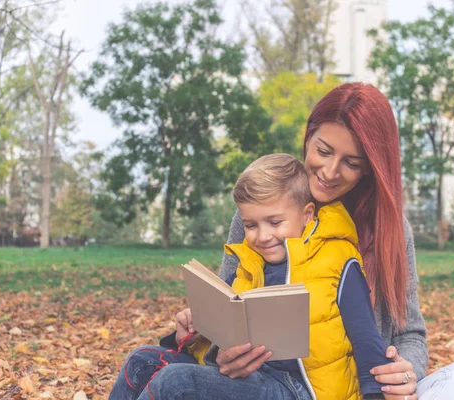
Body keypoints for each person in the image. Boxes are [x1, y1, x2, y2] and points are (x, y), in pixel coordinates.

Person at [215, 83, 454, 400]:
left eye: (351, 162)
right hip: (280, 387)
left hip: (368, 388)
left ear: (369, 167)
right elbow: (225, 305)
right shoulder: (262, 213)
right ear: (308, 138)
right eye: (323, 151)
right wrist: (220, 351)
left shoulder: (391, 228)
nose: (330, 171)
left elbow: (411, 334)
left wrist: (407, 371)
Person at [109, 153, 392, 400]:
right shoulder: (249, 261)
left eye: (274, 222)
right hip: (250, 379)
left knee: (174, 383)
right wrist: (193, 333)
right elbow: (226, 334)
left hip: (301, 390)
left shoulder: (337, 258)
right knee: (142, 360)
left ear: (306, 215)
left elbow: (366, 340)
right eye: (250, 225)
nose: (263, 236)